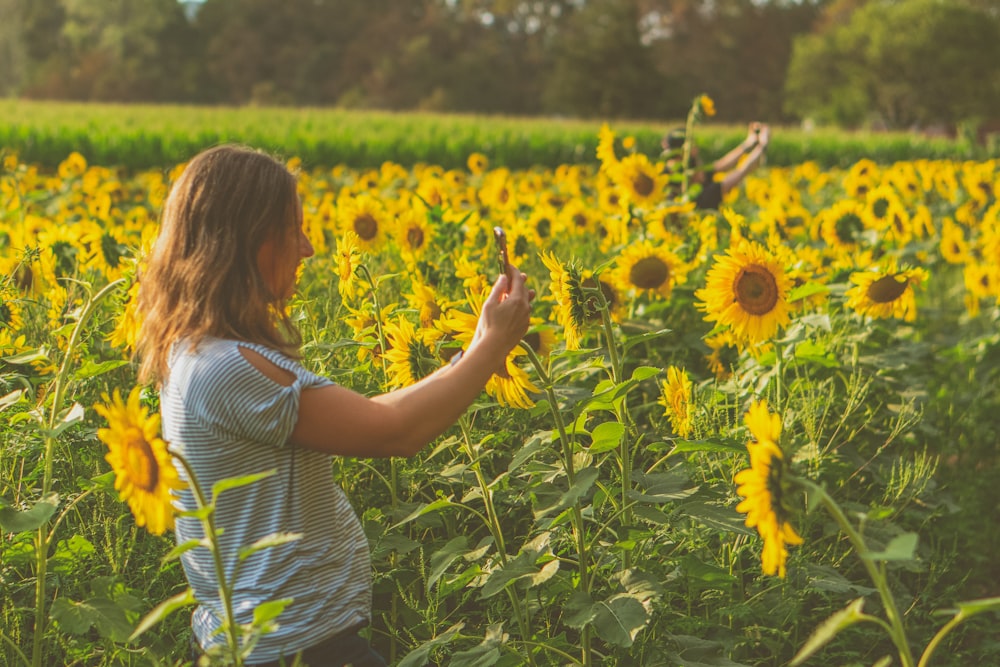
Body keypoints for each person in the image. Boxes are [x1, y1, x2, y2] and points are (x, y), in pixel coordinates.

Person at [135, 144, 534, 667]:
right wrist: (490, 350)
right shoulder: (227, 367)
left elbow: (367, 413)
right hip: (291, 647)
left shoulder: (200, 350)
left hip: (271, 638)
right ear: (249, 240)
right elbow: (393, 432)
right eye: (293, 231)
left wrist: (471, 350)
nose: (307, 249)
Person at [661, 122, 770, 209]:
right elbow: (740, 172)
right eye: (693, 147)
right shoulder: (702, 197)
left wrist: (750, 142)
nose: (697, 150)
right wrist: (763, 146)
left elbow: (723, 164)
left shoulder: (687, 172)